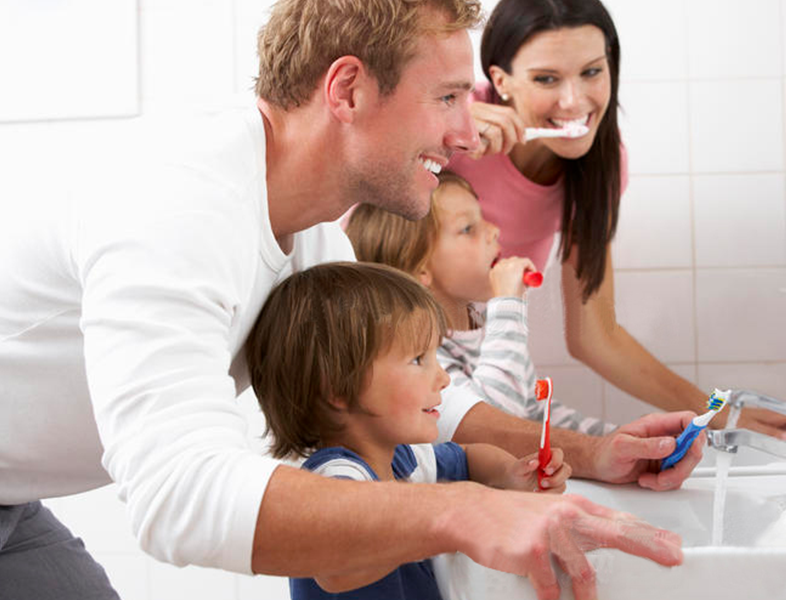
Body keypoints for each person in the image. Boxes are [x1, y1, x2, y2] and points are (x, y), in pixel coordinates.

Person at [0, 1, 693, 599]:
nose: (465, 135)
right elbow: (178, 494)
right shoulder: (179, 204)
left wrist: (594, 452)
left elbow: (409, 389)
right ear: (349, 90)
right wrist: (461, 512)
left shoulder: (309, 229)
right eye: (447, 98)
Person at [447, 0, 786, 438]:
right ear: (501, 81)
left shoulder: (602, 165)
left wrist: (717, 414)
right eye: (546, 78)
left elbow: (595, 335)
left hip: (482, 366)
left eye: (592, 71)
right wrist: (437, 120)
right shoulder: (453, 123)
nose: (574, 101)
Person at [247, 261, 574, 600]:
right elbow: (336, 569)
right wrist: (454, 524)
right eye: (419, 360)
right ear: (340, 389)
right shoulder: (337, 477)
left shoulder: (403, 460)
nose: (443, 378)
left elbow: (467, 457)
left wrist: (511, 473)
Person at [347, 170, 615, 435]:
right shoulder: (422, 355)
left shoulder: (487, 330)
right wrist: (507, 305)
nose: (493, 231)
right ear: (420, 270)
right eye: (468, 228)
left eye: (482, 218)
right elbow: (498, 425)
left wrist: (613, 439)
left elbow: (536, 412)